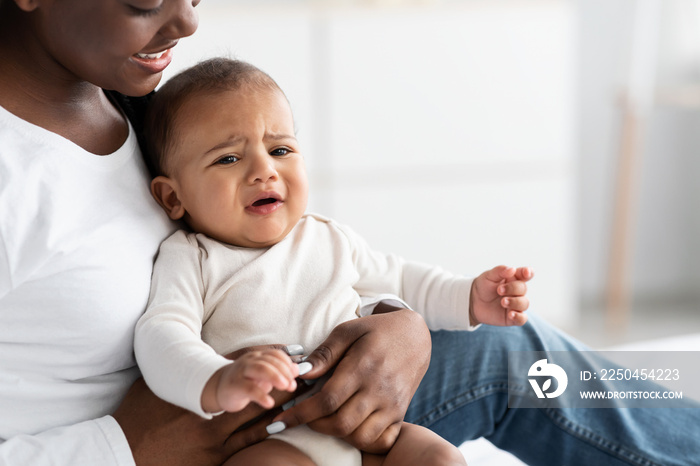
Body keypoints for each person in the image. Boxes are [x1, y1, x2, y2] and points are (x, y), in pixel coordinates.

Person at [0, 1, 698, 465]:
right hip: (209, 433)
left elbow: (317, 260)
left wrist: (400, 326)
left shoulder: (126, 96)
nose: (184, 21)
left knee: (515, 352)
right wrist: (125, 446)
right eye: (145, 0)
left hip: (296, 381)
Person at [134, 57, 534, 466]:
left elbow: (399, 277)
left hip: (366, 433)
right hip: (271, 440)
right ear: (172, 197)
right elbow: (162, 335)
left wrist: (468, 296)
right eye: (228, 159)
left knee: (438, 457)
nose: (264, 170)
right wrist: (215, 379)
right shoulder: (192, 258)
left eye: (280, 149)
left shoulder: (326, 236)